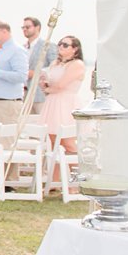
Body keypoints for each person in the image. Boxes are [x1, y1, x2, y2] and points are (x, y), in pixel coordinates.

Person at [39, 35, 86, 168]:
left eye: (65, 45)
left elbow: (61, 85)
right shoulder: (55, 63)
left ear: (75, 49)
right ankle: (56, 180)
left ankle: (75, 178)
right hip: (52, 103)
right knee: (53, 142)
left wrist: (49, 88)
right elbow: (49, 84)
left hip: (66, 104)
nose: (61, 47)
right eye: (60, 44)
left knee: (68, 142)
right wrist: (44, 84)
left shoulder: (77, 64)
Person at [22, 16, 57, 114]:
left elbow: (54, 67)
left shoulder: (48, 45)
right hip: (24, 95)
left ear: (37, 28)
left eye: (28, 27)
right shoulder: (22, 47)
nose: (25, 29)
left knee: (42, 125)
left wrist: (37, 73)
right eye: (23, 27)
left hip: (40, 95)